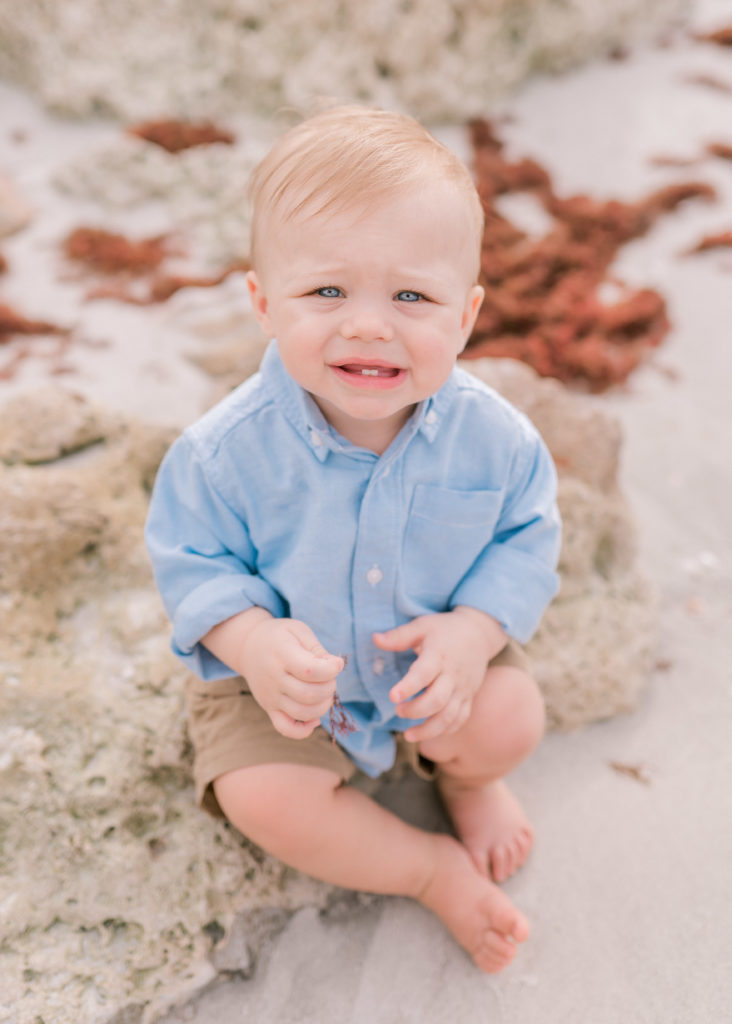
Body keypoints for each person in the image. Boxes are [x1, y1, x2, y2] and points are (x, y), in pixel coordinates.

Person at [145, 105, 561, 974]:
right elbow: (191, 561)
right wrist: (252, 644)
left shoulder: (497, 441)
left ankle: (468, 780)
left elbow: (526, 538)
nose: (369, 324)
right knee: (264, 797)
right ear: (264, 304)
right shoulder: (224, 452)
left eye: (412, 296)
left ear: (465, 317)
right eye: (327, 292)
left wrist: (473, 632)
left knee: (511, 719)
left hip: (431, 660)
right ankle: (425, 869)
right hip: (285, 684)